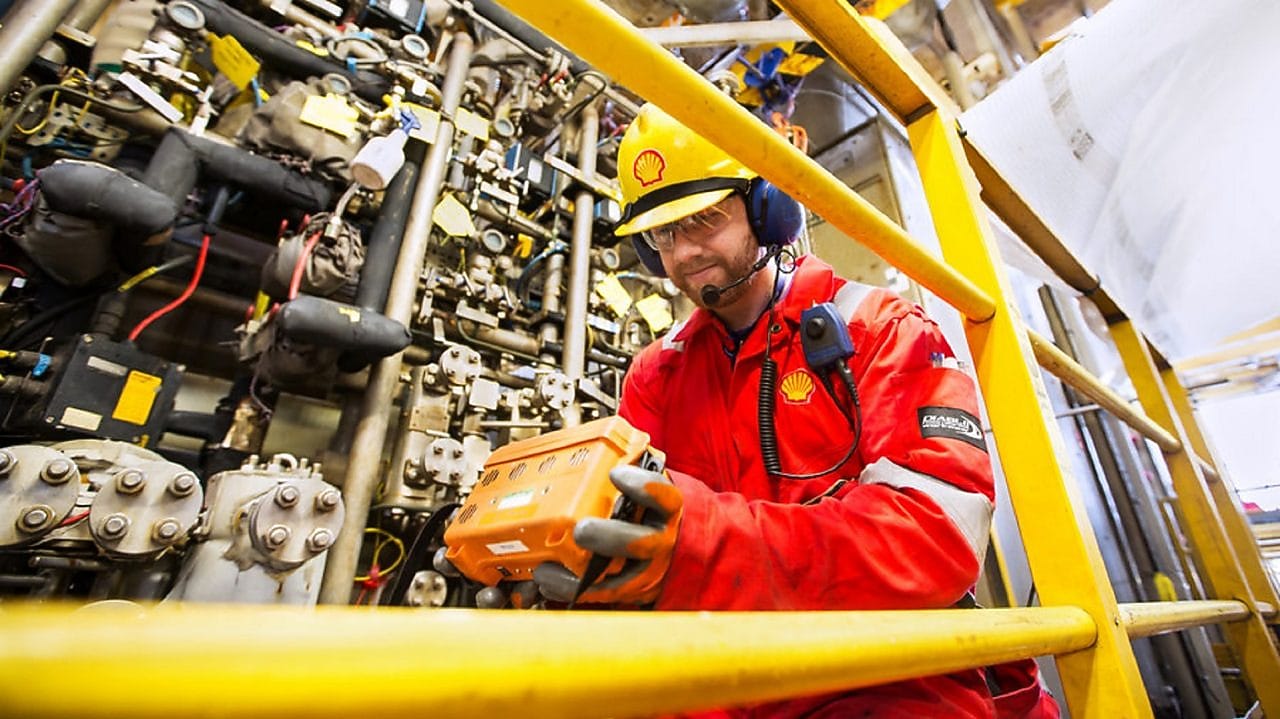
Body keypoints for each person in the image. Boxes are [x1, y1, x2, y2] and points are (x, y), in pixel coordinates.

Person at [449, 103, 1058, 718]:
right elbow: (633, 543)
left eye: (704, 218)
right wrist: (568, 582)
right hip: (726, 681)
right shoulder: (656, 375)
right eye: (663, 235)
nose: (683, 253)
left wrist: (697, 549)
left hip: (886, 676)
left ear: (768, 206)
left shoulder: (879, 327)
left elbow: (936, 537)